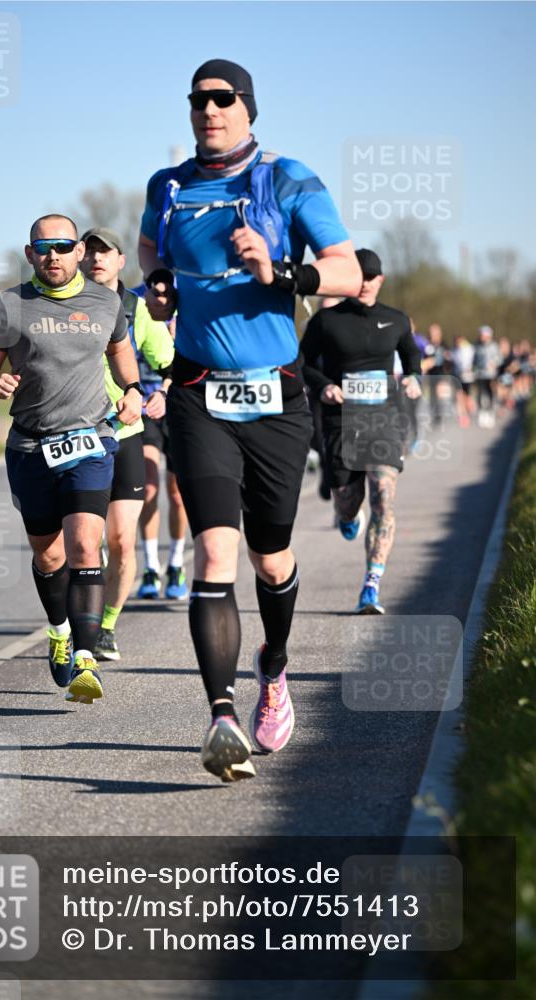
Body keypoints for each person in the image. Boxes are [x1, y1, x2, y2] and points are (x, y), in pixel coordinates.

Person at [138, 58, 361, 782]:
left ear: (247, 107)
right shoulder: (166, 187)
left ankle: (274, 667)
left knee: (271, 558)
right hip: (197, 394)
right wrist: (160, 288)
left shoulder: (287, 178)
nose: (208, 110)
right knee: (214, 553)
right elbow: (152, 253)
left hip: (276, 399)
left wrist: (280, 273)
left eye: (222, 98)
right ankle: (221, 718)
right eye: (197, 100)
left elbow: (347, 270)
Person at [0, 214, 142, 702]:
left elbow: (120, 350)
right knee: (49, 555)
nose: (54, 255)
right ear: (30, 254)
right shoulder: (10, 305)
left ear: (78, 252)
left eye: (63, 246)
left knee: (87, 545)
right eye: (43, 248)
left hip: (90, 440)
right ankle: (59, 630)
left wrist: (132, 388)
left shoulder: (107, 302)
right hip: (29, 445)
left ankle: (86, 659)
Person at [300, 249, 422, 615]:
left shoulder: (396, 320)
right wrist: (323, 386)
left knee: (383, 498)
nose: (367, 282)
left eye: (373, 277)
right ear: (351, 280)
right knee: (348, 503)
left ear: (381, 280)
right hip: (341, 421)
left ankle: (372, 584)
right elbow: (302, 363)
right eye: (361, 276)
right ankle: (348, 514)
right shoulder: (326, 321)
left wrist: (415, 377)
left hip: (383, 421)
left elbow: (412, 358)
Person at [80, 226, 175, 659]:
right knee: (85, 542)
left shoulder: (137, 308)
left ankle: (107, 627)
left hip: (125, 436)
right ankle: (73, 623)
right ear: (80, 258)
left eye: (107, 252)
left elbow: (170, 361)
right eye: (91, 252)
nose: (97, 259)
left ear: (122, 261)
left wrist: (160, 393)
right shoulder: (63, 306)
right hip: (76, 438)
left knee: (120, 540)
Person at [137, 313, 191, 601]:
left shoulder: (189, 297)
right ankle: (150, 568)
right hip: (146, 410)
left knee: (177, 495)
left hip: (180, 409)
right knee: (148, 488)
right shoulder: (133, 300)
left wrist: (176, 338)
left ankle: (176, 564)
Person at [473, 325, 502, 427]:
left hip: (490, 375)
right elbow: (474, 359)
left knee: (490, 394)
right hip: (480, 374)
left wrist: (493, 363)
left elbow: (499, 359)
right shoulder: (477, 346)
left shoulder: (494, 346)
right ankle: (481, 414)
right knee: (480, 393)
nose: (481, 337)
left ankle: (490, 413)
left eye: (483, 335)